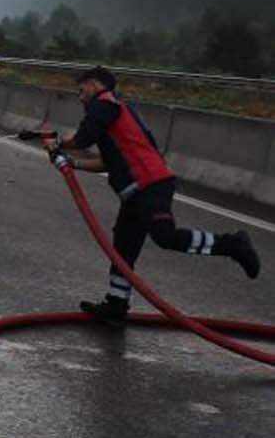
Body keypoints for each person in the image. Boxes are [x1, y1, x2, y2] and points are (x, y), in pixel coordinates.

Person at [43, 66, 259, 322]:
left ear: (95, 84)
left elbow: (83, 138)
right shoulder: (111, 115)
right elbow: (108, 162)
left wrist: (57, 143)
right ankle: (116, 303)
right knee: (122, 248)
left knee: (165, 236)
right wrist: (72, 163)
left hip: (150, 185)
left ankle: (233, 245)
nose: (80, 97)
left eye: (81, 90)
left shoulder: (104, 103)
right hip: (134, 193)